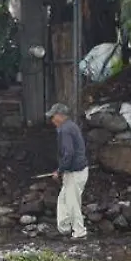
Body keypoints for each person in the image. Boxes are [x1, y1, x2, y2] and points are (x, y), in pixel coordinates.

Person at [47, 103, 89, 240]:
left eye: (53, 117)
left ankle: (79, 232)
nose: (52, 120)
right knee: (63, 200)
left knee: (72, 203)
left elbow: (69, 153)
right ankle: (64, 228)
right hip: (78, 170)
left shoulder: (65, 130)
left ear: (60, 116)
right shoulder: (71, 126)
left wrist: (59, 170)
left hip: (74, 172)